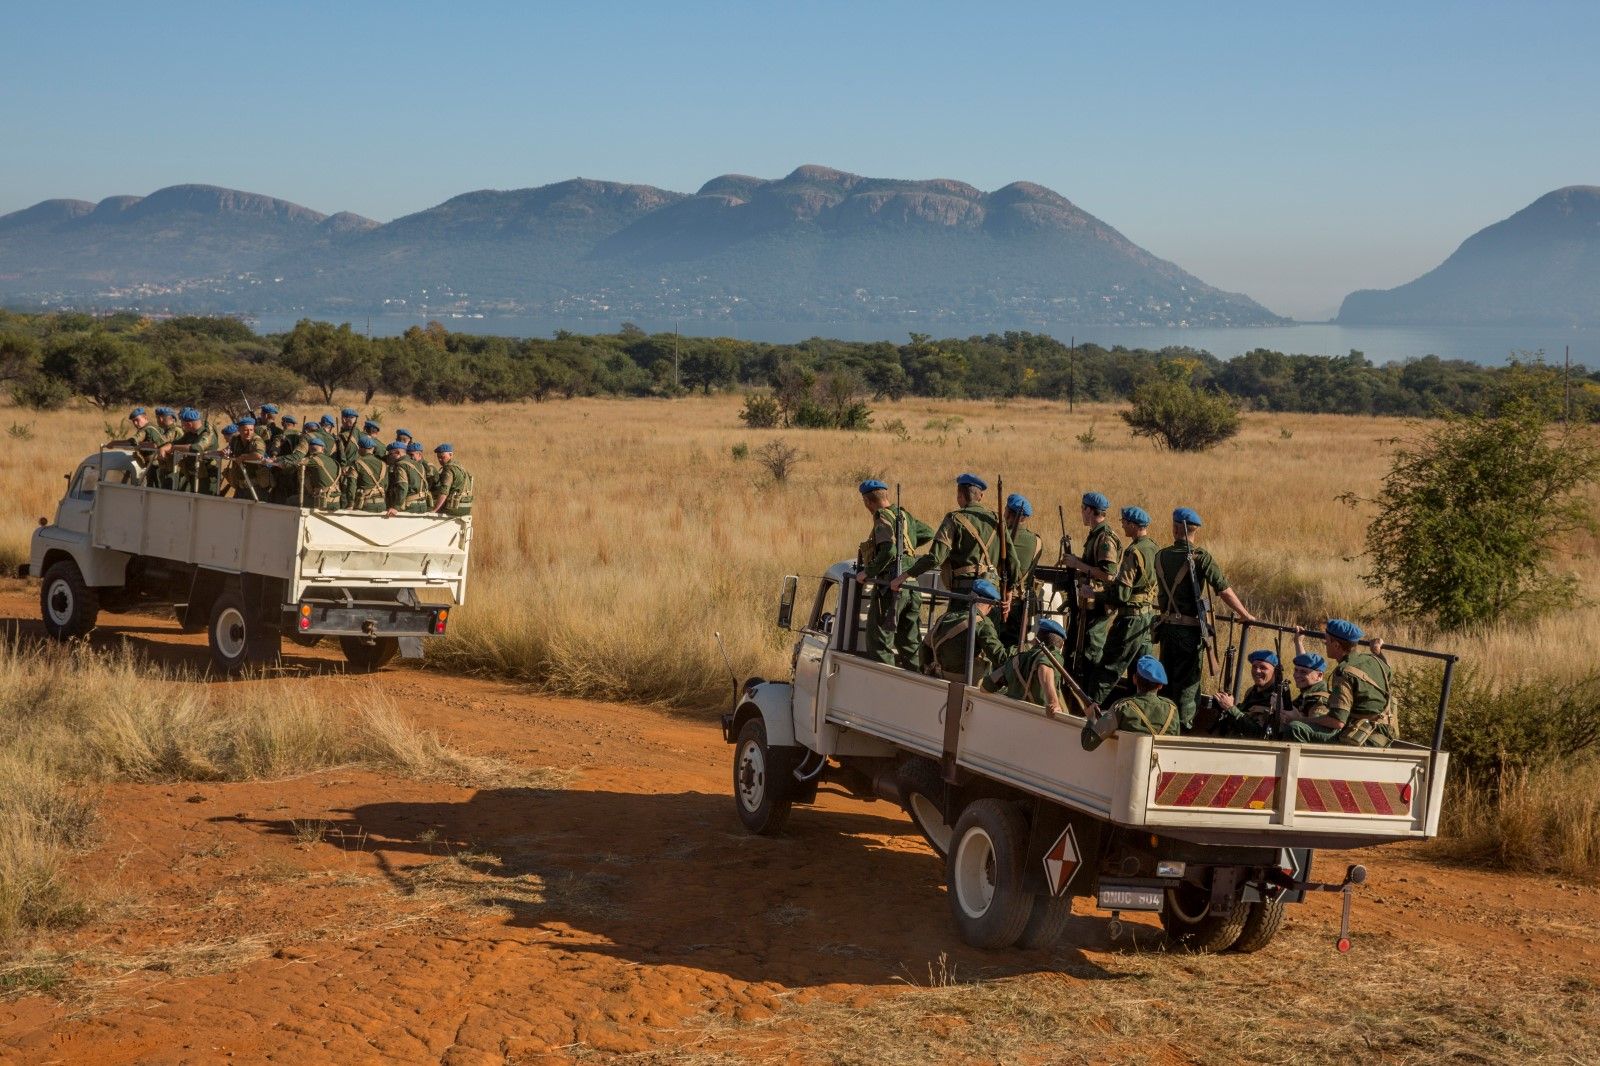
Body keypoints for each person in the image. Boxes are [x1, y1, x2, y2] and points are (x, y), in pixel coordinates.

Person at [1155, 508, 1254, 732]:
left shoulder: (1160, 556)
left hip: (1167, 630)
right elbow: (1224, 590)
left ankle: (1163, 727)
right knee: (1187, 691)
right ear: (1195, 530)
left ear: (1175, 528)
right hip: (1189, 634)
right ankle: (1182, 731)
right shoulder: (1201, 557)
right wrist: (1244, 614)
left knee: (1166, 684)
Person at [853, 479, 930, 668]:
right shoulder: (904, 515)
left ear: (867, 501)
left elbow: (889, 551)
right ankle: (918, 678)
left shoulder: (881, 516)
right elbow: (928, 532)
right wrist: (908, 549)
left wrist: (868, 572)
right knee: (909, 641)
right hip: (912, 584)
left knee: (879, 641)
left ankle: (883, 684)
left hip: (891, 584)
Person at [892, 473, 1006, 600]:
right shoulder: (998, 520)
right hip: (992, 593)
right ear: (981, 496)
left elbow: (935, 558)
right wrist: (1009, 592)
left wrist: (904, 576)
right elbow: (1012, 561)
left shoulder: (954, 519)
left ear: (960, 495)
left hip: (965, 591)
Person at [1088, 506, 1159, 706]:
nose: (1122, 525)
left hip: (1131, 620)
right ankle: (1140, 710)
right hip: (1147, 619)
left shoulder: (1133, 552)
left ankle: (1091, 711)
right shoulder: (1153, 547)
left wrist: (1094, 593)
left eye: (1124, 522)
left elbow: (1122, 594)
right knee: (1142, 673)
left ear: (1133, 525)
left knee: (1109, 668)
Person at [1284, 620, 1395, 746]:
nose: (1324, 643)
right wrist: (1376, 650)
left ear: (1336, 645)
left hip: (1362, 737)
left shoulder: (1344, 672)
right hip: (1384, 734)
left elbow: (1337, 721)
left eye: (1326, 640)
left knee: (1295, 728)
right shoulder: (1376, 661)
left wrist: (1300, 719)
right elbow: (1389, 674)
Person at [1058, 491, 1122, 677]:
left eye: (1083, 508)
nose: (1081, 512)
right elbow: (1093, 566)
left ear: (1090, 510)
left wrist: (1077, 564)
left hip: (1098, 605)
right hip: (1088, 602)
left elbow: (1108, 575)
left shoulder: (1105, 538)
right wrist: (1074, 560)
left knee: (1090, 652)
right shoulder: (1095, 535)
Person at [919, 579, 1007, 682]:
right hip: (968, 681)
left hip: (941, 676)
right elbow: (1000, 658)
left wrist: (926, 671)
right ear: (989, 605)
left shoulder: (946, 617)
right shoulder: (983, 624)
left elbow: (925, 646)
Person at [984, 618, 1071, 717]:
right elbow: (1044, 667)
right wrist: (1054, 702)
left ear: (1036, 640)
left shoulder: (1015, 660)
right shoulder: (1054, 655)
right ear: (1061, 645)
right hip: (1040, 720)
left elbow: (985, 687)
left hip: (1012, 717)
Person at [997, 493, 1044, 650]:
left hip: (998, 600)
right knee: (1016, 646)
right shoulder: (1037, 542)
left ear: (1008, 513)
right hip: (1021, 603)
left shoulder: (999, 537)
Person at [1211, 650, 1284, 739]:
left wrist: (1230, 708)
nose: (1257, 671)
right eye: (1254, 667)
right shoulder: (1252, 691)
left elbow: (1258, 733)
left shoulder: (1277, 699)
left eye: (1263, 668)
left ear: (1275, 672)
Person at [1100, 655, 1179, 737]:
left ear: (1134, 679)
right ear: (1160, 685)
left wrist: (1091, 717)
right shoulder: (1172, 710)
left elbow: (1089, 743)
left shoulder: (1121, 707)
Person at [274, 433, 342, 510]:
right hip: (336, 503)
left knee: (291, 500)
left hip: (323, 502)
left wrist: (276, 461)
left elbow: (295, 462)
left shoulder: (314, 459)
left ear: (309, 448)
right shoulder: (334, 462)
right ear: (323, 449)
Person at [1278, 646, 1333, 735]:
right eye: (1296, 670)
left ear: (1319, 676)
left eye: (1303, 672)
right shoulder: (1307, 693)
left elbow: (1316, 731)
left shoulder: (1319, 700)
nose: (1297, 675)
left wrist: (1295, 718)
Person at [173, 408, 220, 494]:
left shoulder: (207, 433)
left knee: (205, 503)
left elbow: (197, 448)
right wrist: (167, 446)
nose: (182, 427)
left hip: (207, 475)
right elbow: (177, 442)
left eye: (183, 424)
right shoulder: (190, 433)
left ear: (189, 424)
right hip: (193, 473)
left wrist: (174, 448)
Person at [225, 416, 271, 499]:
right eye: (246, 430)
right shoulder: (235, 439)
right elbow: (228, 450)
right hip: (241, 484)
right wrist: (225, 453)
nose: (249, 433)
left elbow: (259, 455)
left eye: (251, 430)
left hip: (256, 485)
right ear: (239, 430)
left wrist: (243, 457)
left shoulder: (256, 440)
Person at [343, 436, 388, 512]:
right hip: (382, 504)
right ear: (373, 448)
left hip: (364, 505)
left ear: (361, 448)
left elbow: (351, 485)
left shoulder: (356, 463)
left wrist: (350, 503)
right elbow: (386, 485)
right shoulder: (383, 464)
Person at [384, 441, 429, 515]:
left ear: (398, 453)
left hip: (410, 506)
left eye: (390, 454)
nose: (388, 456)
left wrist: (396, 507)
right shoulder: (419, 465)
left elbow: (403, 487)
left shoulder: (400, 465)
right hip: (423, 504)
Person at [430, 443, 475, 517]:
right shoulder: (460, 467)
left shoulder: (448, 469)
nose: (440, 460)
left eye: (442, 457)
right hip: (467, 507)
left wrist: (435, 510)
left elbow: (444, 492)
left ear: (451, 455)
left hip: (455, 507)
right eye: (438, 457)